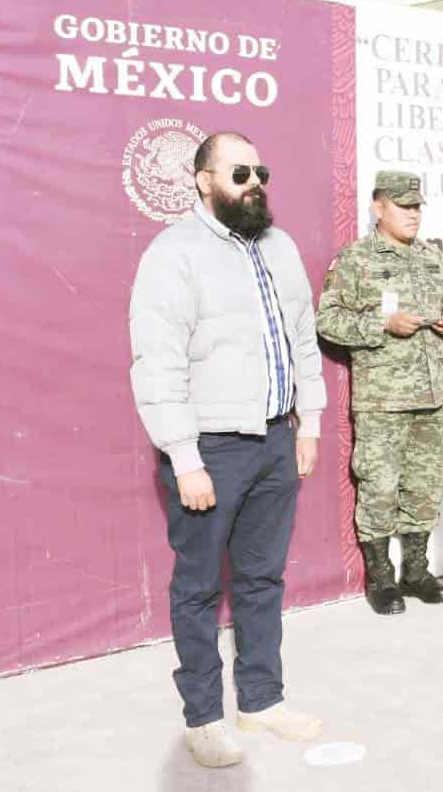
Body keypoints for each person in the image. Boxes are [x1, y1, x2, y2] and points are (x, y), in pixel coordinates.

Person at [129, 132, 327, 769]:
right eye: (239, 171)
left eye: (260, 170)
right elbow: (156, 362)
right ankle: (204, 717)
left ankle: (262, 700)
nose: (254, 181)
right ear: (202, 180)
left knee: (263, 576)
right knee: (196, 587)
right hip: (211, 446)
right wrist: (184, 457)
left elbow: (303, 339)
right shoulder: (173, 253)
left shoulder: (279, 245)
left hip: (275, 438)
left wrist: (311, 423)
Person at [316, 170, 443, 615]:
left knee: (424, 487)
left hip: (432, 396)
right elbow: (328, 321)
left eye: (417, 206)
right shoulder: (356, 260)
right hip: (382, 400)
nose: (413, 214)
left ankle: (416, 571)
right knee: (379, 487)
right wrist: (381, 324)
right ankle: (381, 578)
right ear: (378, 207)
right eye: (403, 206)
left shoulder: (433, 259)